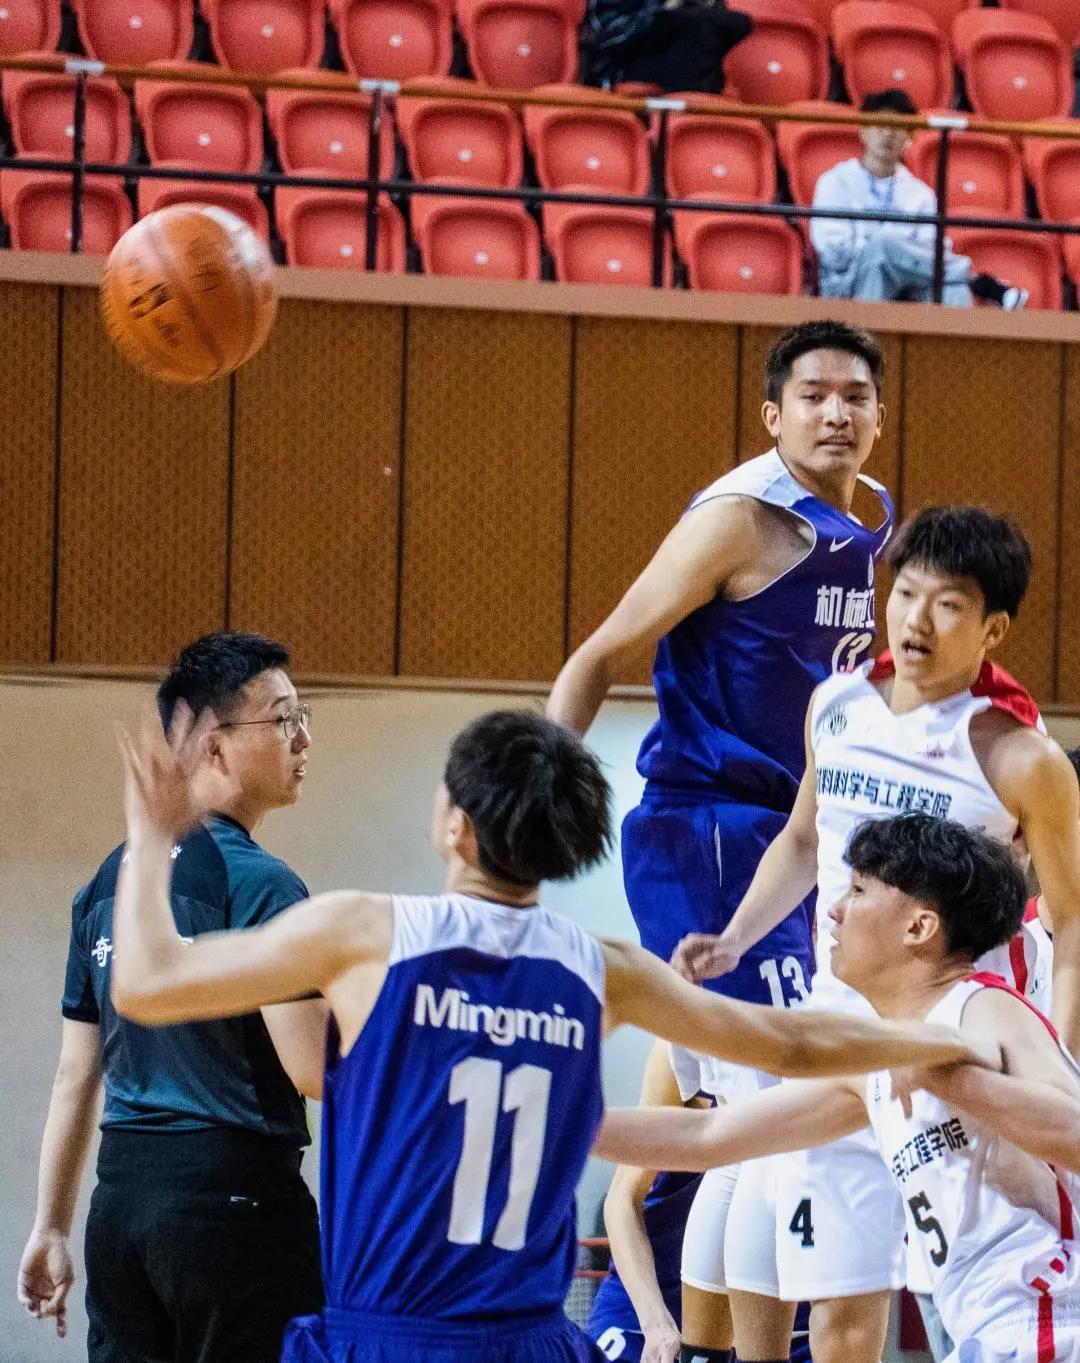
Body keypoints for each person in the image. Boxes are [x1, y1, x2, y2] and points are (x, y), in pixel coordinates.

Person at [110, 706, 982, 1363]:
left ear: (454, 824)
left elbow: (147, 986)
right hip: (530, 1339)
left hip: (391, 1334)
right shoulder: (600, 968)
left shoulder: (364, 934)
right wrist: (937, 1040)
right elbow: (785, 1045)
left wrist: (151, 839)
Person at [548, 318, 893, 1359]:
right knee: (769, 1113)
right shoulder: (739, 519)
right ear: (773, 413)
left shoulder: (869, 521)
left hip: (794, 839)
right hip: (708, 830)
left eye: (855, 396)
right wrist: (529, 802)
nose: (836, 412)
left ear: (879, 416)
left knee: (765, 1114)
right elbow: (599, 651)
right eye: (814, 395)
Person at [673, 507, 1080, 1363]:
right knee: (835, 1306)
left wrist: (1052, 1079)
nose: (916, 618)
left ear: (994, 628)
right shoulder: (838, 703)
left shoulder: (1020, 754)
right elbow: (801, 841)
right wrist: (736, 938)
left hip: (960, 1041)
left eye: (949, 603)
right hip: (844, 1032)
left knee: (979, 1287)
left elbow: (1070, 920)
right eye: (906, 592)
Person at [600, 814, 1080, 1362]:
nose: (833, 909)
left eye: (858, 891)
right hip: (991, 1329)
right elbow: (707, 1135)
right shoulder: (877, 1059)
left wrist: (949, 1073)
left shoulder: (983, 1006)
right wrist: (563, 1121)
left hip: (1053, 1319)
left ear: (920, 927)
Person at [16, 632, 327, 1363]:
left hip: (121, 1208)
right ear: (215, 747)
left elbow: (75, 1076)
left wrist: (51, 1226)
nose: (303, 737)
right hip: (233, 1209)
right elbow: (315, 1068)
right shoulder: (263, 885)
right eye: (283, 718)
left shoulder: (107, 885)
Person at [591, 1039, 812, 1363]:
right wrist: (655, 1322)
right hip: (654, 1300)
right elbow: (621, 1200)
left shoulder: (822, 1048)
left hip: (777, 1305)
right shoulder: (680, 1050)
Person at [811, 89, 1028, 310]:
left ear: (910, 138)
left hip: (908, 287)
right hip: (848, 281)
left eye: (898, 128)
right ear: (863, 131)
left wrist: (898, 259)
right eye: (880, 125)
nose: (888, 134)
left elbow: (933, 250)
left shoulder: (919, 193)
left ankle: (961, 324)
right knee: (882, 247)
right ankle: (975, 280)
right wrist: (886, 251)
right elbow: (832, 250)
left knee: (953, 288)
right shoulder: (835, 181)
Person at [586, 0, 752, 94]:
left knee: (721, 24)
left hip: (694, 64)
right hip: (631, 65)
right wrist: (669, 6)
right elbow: (609, 38)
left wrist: (705, 5)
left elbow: (728, 25)